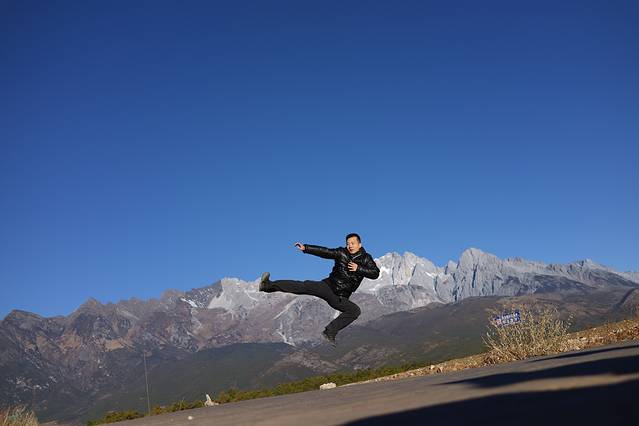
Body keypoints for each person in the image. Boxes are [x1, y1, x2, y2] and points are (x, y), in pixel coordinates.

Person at [258, 233, 380, 347]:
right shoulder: (341, 253)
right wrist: (306, 248)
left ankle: (329, 331)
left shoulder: (366, 258)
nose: (350, 246)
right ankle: (267, 286)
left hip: (340, 297)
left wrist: (359, 268)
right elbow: (325, 252)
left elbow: (375, 273)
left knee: (355, 311)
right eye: (348, 243)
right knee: (303, 286)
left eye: (353, 243)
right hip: (327, 286)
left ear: (359, 244)